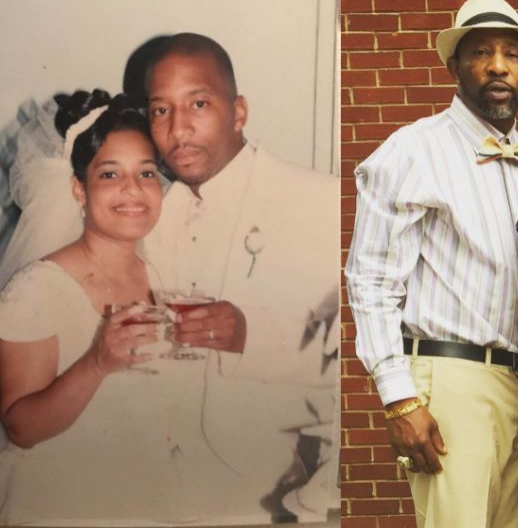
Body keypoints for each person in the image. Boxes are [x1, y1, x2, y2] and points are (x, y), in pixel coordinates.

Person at [345, 0, 518, 528]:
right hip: (451, 377)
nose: (498, 66)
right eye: (481, 52)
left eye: (511, 52)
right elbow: (370, 280)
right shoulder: (413, 150)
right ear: (454, 65)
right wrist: (399, 400)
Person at [142, 33, 339, 523]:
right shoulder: (149, 214)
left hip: (275, 489)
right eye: (160, 110)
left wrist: (250, 334)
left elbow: (358, 355)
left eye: (199, 103)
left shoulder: (320, 200)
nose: (178, 129)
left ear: (239, 112)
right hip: (161, 483)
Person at [0, 91, 199, 524]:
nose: (133, 189)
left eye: (146, 173)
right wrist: (95, 363)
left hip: (152, 494)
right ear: (78, 189)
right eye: (110, 174)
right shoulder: (35, 290)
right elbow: (21, 428)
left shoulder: (161, 275)